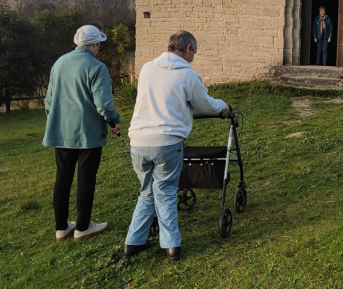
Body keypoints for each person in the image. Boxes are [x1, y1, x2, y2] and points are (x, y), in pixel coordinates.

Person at [123, 30, 230, 261]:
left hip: (139, 141)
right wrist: (223, 106)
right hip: (167, 141)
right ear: (188, 49)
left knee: (146, 192)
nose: (194, 58)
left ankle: (133, 243)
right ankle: (171, 246)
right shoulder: (187, 76)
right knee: (166, 193)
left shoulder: (147, 68)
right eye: (195, 52)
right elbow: (204, 104)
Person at [42, 25, 122, 243]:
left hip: (62, 130)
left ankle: (61, 228)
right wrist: (114, 121)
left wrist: (55, 119)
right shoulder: (97, 68)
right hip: (87, 133)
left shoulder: (59, 63)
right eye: (99, 45)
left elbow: (49, 100)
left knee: (63, 178)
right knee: (86, 179)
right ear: (94, 44)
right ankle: (83, 227)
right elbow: (103, 104)